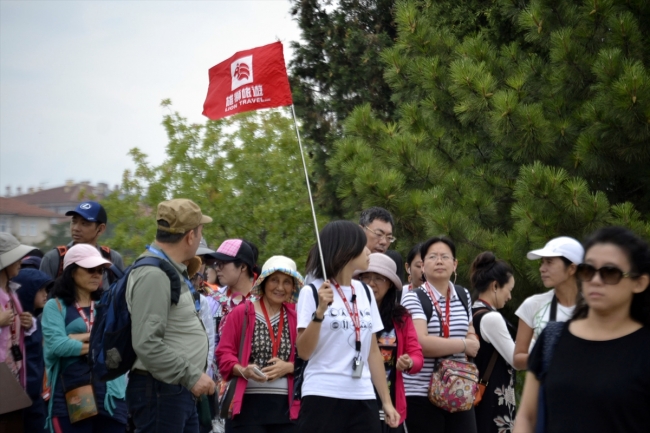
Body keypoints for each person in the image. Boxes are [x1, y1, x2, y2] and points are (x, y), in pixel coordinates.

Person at [514, 227, 650, 433]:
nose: (595, 280)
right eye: (589, 270)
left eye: (610, 272)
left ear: (639, 283)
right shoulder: (553, 337)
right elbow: (527, 416)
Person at [296, 220, 400, 433]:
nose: (368, 250)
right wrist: (319, 313)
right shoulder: (313, 291)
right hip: (322, 394)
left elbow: (372, 351)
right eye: (363, 245)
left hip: (363, 395)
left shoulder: (365, 292)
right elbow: (304, 352)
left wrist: (387, 402)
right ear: (346, 250)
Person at [125, 198, 215, 433]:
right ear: (190, 236)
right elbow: (147, 343)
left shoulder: (167, 269)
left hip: (174, 390)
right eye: (200, 229)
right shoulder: (154, 275)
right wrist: (192, 375)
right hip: (160, 392)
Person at [41, 244, 128, 432]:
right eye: (90, 270)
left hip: (110, 397)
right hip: (72, 396)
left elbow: (121, 343)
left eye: (99, 270)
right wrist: (100, 342)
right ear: (71, 271)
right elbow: (58, 345)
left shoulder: (108, 303)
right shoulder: (54, 306)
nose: (97, 275)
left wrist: (77, 338)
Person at [401, 236, 480, 433]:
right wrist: (464, 345)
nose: (439, 261)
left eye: (445, 257)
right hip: (421, 393)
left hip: (458, 389)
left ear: (454, 265)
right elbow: (421, 343)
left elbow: (470, 329)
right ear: (422, 266)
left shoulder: (463, 295)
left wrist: (472, 340)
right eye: (432, 257)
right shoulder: (413, 298)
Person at [216, 255, 304, 432]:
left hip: (287, 412)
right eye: (274, 280)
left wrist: (289, 367)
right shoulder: (242, 313)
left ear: (293, 287)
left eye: (287, 282)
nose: (280, 287)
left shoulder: (298, 317)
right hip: (247, 408)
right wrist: (243, 370)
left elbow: (311, 359)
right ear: (263, 282)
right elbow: (223, 354)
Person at [354, 253, 424, 433]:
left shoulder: (401, 317)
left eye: (378, 278)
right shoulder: (349, 312)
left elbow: (417, 356)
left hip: (389, 404)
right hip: (353, 400)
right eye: (366, 277)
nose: (371, 283)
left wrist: (409, 362)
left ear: (390, 284)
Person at [512, 237, 583, 370]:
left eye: (549, 262)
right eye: (542, 262)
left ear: (572, 268)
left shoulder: (595, 307)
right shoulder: (533, 305)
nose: (542, 269)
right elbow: (517, 359)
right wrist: (547, 356)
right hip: (546, 388)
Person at [469, 252, 519, 433]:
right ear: (495, 286)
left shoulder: (473, 311)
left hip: (478, 397)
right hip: (493, 401)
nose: (510, 297)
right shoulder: (492, 319)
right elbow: (517, 359)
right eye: (509, 290)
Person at [0, 233, 38, 432]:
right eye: (15, 258)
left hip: (13, 374)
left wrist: (28, 323)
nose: (20, 262)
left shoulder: (12, 292)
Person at [39, 201, 124, 289]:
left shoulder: (112, 259)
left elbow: (120, 295)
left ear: (100, 229)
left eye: (84, 223)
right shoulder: (54, 259)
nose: (76, 228)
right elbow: (43, 298)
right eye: (74, 221)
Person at [14, 268, 53, 433]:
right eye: (40, 290)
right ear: (27, 292)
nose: (46, 294)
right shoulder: (13, 320)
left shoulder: (34, 321)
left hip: (35, 395)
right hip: (21, 394)